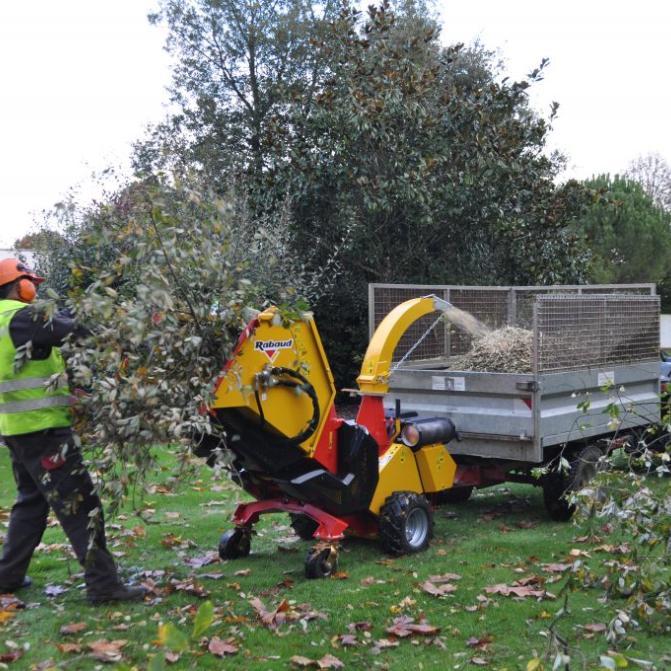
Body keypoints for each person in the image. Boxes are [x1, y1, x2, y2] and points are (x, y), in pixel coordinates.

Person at [0, 258, 144, 604]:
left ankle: (7, 576)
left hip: (18, 431)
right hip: (44, 432)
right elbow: (75, 330)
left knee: (31, 505)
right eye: (31, 282)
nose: (34, 290)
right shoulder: (21, 317)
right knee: (82, 506)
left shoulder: (8, 322)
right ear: (21, 286)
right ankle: (104, 585)